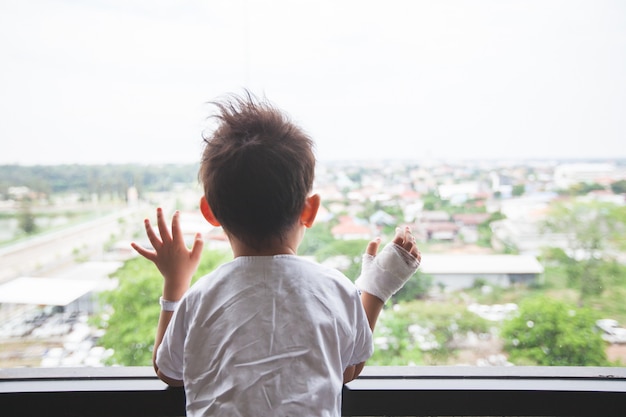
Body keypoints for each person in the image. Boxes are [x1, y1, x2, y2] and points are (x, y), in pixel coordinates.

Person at [131, 92, 421, 416]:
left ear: (210, 212)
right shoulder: (334, 288)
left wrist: (175, 284)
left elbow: (169, 373)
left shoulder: (200, 298)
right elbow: (346, 368)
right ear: (309, 211)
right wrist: (377, 288)